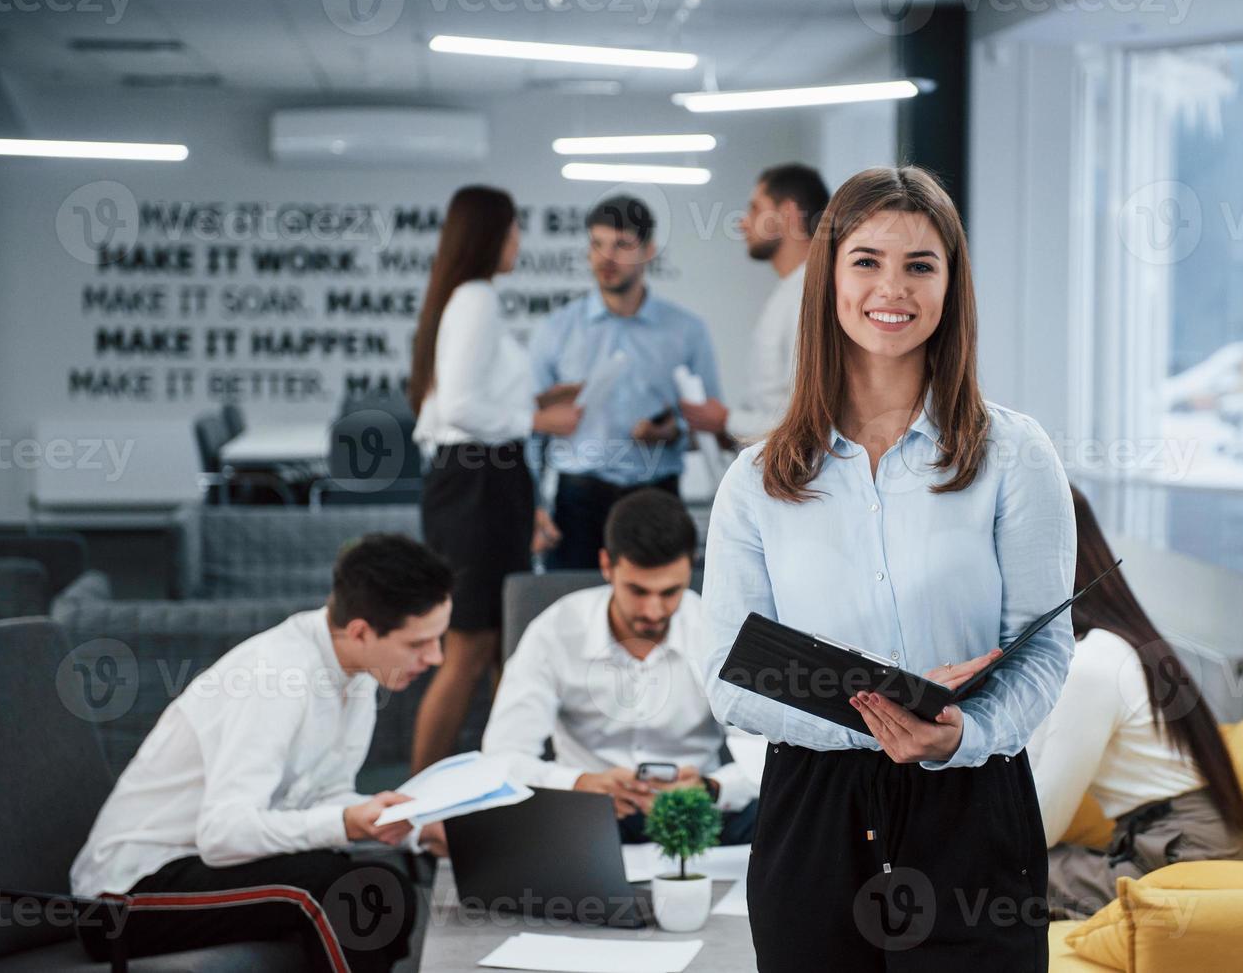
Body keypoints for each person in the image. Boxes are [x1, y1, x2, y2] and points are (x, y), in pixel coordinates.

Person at [698, 166, 1075, 971]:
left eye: (920, 265)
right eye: (866, 260)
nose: (891, 288)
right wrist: (872, 715)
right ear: (828, 275)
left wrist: (958, 735)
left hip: (973, 806)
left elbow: (1044, 648)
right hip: (815, 816)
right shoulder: (758, 478)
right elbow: (728, 674)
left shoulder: (1014, 456)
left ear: (951, 285)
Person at [71, 534, 455, 973]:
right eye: (418, 644)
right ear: (361, 631)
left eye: (438, 639)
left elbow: (322, 797)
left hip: (205, 866)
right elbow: (224, 833)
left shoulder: (358, 671)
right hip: (125, 897)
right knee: (344, 891)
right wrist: (346, 823)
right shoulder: (276, 679)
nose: (437, 657)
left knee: (382, 892)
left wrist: (415, 828)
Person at [407, 185, 583, 772]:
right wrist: (538, 417)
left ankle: (512, 783)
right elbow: (460, 409)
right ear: (490, 236)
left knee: (500, 643)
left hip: (482, 482)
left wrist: (534, 399)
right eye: (512, 230)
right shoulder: (476, 297)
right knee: (470, 647)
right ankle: (412, 808)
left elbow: (472, 398)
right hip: (477, 485)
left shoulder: (463, 298)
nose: (518, 242)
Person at [481, 488, 758, 845]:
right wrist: (579, 784)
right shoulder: (554, 632)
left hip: (698, 812)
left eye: (670, 592)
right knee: (501, 811)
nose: (654, 611)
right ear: (606, 566)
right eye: (638, 591)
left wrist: (712, 786)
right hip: (586, 816)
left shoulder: (717, 631)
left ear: (691, 569)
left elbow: (761, 755)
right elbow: (503, 756)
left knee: (776, 813)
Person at [1027, 486, 1243, 919]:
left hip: (1182, 857)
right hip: (1175, 843)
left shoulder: (1093, 662)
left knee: (982, 874)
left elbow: (1041, 825)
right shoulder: (1111, 643)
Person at [527, 194, 724, 570]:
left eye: (621, 245)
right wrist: (534, 505)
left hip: (657, 499)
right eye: (597, 245)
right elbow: (529, 429)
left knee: (660, 614)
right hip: (578, 502)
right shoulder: (555, 330)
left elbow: (710, 421)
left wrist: (673, 431)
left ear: (648, 250)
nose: (606, 258)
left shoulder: (686, 331)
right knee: (573, 610)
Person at [681, 163, 829, 447]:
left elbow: (814, 421)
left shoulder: (812, 296)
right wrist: (729, 429)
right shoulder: (790, 290)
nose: (743, 222)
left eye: (755, 209)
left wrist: (726, 420)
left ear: (787, 213)